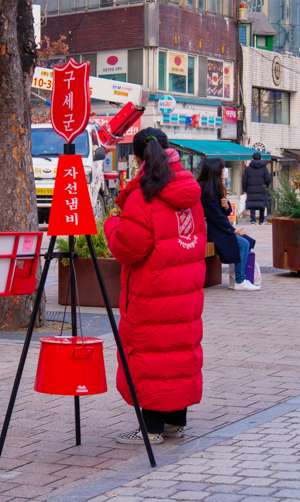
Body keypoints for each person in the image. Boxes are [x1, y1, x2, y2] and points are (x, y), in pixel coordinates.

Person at [104, 128, 207, 445]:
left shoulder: (143, 196)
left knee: (152, 354)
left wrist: (112, 223)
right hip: (186, 290)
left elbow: (128, 248)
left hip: (152, 291)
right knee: (178, 351)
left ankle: (149, 429)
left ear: (137, 158)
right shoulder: (190, 192)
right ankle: (176, 422)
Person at [200, 158, 259, 291]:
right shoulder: (206, 188)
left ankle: (237, 279)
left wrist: (226, 207)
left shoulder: (217, 185)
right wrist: (231, 230)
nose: (224, 170)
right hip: (211, 230)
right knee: (243, 243)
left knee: (246, 241)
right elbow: (214, 215)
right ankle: (239, 280)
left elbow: (223, 212)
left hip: (217, 228)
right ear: (215, 169)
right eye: (222, 167)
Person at [241, 152, 272, 225]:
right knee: (262, 203)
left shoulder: (248, 169)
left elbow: (244, 180)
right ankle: (261, 220)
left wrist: (245, 190)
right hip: (262, 189)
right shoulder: (264, 168)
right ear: (261, 159)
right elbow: (268, 179)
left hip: (251, 189)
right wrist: (266, 186)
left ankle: (253, 220)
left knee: (252, 204)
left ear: (252, 159)